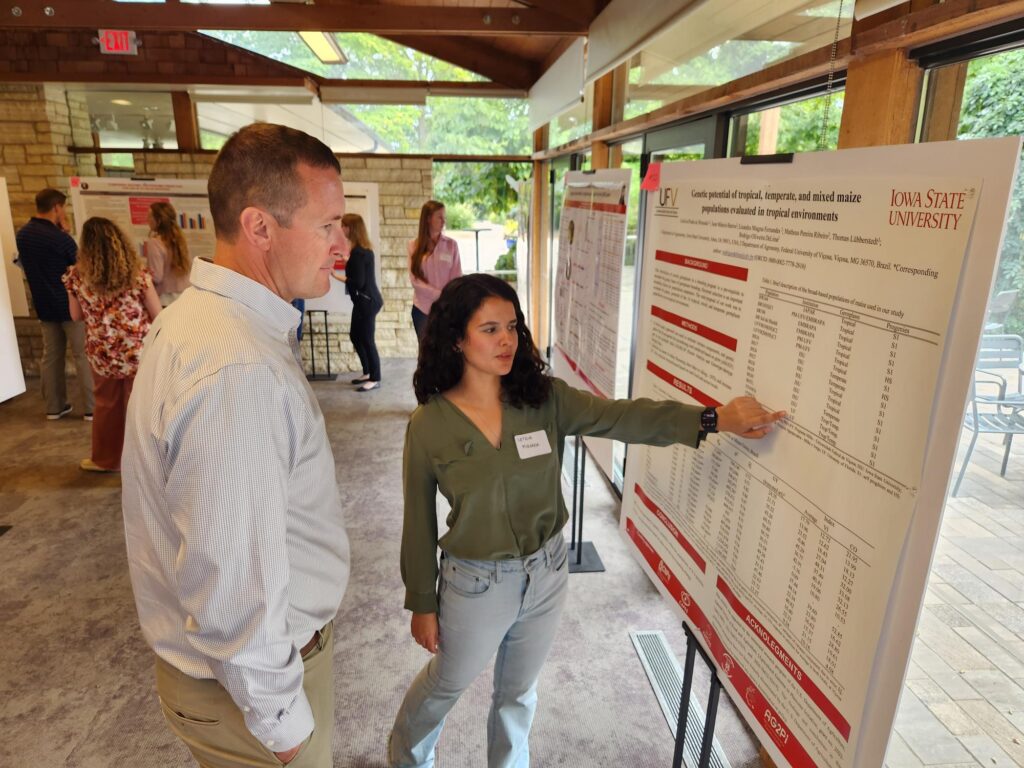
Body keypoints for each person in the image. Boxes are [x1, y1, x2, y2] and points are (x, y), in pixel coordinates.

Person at [388, 274, 785, 768]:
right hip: (476, 583)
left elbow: (623, 417)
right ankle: (408, 757)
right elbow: (418, 521)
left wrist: (712, 418)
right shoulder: (429, 425)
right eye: (490, 329)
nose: (507, 340)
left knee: (517, 694)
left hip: (548, 573)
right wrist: (422, 602)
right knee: (447, 682)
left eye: (512, 326)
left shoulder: (544, 399)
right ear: (456, 338)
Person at [121, 123, 351, 768]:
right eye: (327, 224)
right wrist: (285, 727)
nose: (341, 244)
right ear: (260, 227)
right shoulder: (238, 367)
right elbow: (228, 583)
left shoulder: (202, 321)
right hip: (250, 695)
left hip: (235, 682)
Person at [62, 217, 161, 472]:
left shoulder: (75, 276)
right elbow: (157, 313)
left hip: (102, 353)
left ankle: (106, 460)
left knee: (106, 405)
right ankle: (144, 464)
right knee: (139, 407)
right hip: (137, 353)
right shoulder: (137, 275)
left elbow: (75, 316)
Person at [14, 188, 94, 420]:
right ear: (57, 207)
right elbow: (82, 265)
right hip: (70, 306)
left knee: (51, 356)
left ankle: (54, 406)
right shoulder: (60, 238)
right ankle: (91, 408)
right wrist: (67, 233)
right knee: (82, 355)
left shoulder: (23, 235)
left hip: (43, 305)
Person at [334, 213, 383, 391]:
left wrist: (336, 276)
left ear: (351, 229)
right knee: (356, 335)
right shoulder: (361, 251)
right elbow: (358, 270)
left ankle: (375, 378)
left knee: (367, 340)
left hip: (367, 302)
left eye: (344, 226)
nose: (342, 229)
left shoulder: (359, 253)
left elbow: (359, 282)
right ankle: (368, 371)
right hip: (364, 301)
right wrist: (346, 260)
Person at [407, 200, 461, 340]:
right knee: (426, 355)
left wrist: (448, 298)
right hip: (422, 310)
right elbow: (415, 281)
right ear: (428, 219)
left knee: (446, 353)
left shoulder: (451, 245)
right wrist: (440, 294)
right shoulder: (414, 246)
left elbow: (456, 277)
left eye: (444, 217)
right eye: (439, 217)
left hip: (446, 309)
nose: (444, 221)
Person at [145, 200, 192, 305]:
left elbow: (156, 276)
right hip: (184, 297)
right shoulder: (181, 241)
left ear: (158, 220)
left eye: (149, 216)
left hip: (165, 300)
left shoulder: (155, 243)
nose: (147, 220)